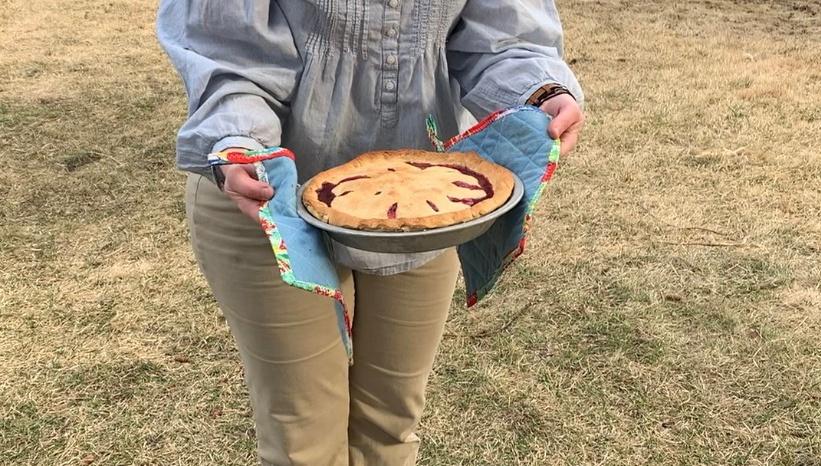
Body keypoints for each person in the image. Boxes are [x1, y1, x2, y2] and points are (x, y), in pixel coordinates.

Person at [157, 1, 584, 464]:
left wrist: (538, 89)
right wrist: (238, 136)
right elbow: (225, 52)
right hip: (265, 195)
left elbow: (501, 35)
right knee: (304, 444)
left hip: (428, 198)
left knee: (390, 428)